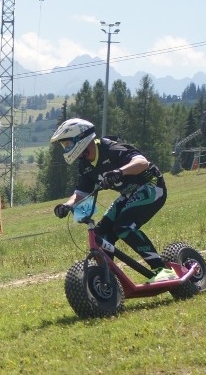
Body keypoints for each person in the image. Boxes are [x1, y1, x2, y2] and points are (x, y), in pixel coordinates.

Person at [50, 118, 177, 283]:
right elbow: (81, 192)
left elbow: (142, 162)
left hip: (151, 186)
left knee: (123, 227)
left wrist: (120, 171)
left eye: (67, 144)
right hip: (129, 194)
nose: (66, 149)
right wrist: (67, 205)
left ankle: (162, 270)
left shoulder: (110, 148)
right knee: (100, 235)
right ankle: (108, 280)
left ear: (80, 139)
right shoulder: (85, 164)